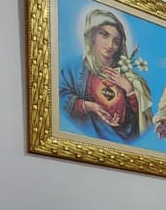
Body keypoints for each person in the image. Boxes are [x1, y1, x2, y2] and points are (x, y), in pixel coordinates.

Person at [59, 8, 153, 142]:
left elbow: (141, 121)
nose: (110, 45)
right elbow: (58, 98)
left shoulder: (127, 76)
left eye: (116, 41)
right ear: (92, 36)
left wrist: (129, 89)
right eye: (104, 35)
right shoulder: (74, 68)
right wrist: (91, 106)